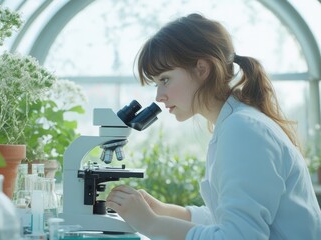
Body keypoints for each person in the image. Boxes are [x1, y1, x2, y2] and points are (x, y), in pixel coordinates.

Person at [106, 13, 321, 239]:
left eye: (165, 80)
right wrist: (163, 211)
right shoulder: (234, 124)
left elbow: (239, 236)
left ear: (202, 68)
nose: (159, 96)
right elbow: (229, 217)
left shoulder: (243, 130)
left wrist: (150, 224)